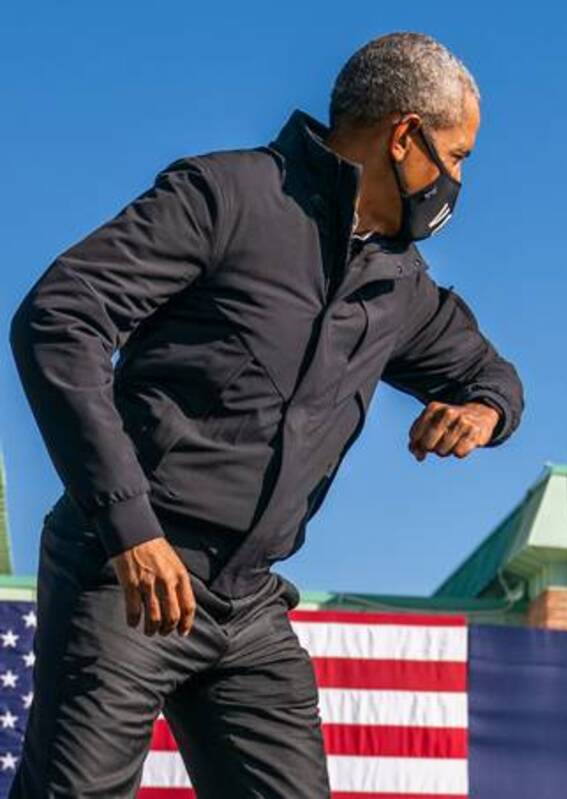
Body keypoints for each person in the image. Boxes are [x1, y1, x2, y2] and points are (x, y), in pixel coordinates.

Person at [9, 32, 522, 797]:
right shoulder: (226, 196)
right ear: (405, 136)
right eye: (457, 155)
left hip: (248, 604)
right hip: (125, 572)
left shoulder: (402, 285)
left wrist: (483, 412)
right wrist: (129, 526)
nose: (455, 179)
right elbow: (59, 316)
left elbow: (491, 375)